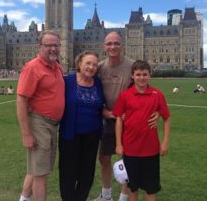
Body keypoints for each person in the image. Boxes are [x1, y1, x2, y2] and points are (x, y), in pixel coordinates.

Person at [95, 31, 159, 201]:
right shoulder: (100, 67)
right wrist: (105, 112)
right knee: (104, 158)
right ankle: (106, 195)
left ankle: (124, 197)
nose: (113, 47)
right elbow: (92, 91)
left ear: (122, 45)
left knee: (128, 159)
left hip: (129, 121)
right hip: (108, 119)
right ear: (104, 46)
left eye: (116, 43)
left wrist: (156, 112)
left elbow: (145, 88)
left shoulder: (131, 65)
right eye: (109, 43)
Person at [16, 30, 64, 201]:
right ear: (39, 47)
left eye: (56, 45)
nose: (53, 48)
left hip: (52, 125)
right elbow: (21, 100)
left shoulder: (56, 66)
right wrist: (26, 134)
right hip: (39, 123)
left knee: (38, 169)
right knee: (40, 174)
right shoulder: (32, 67)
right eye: (48, 45)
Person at [114, 60, 171, 201]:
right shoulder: (125, 96)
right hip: (130, 150)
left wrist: (164, 142)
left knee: (150, 189)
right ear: (132, 76)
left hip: (151, 150)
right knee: (133, 188)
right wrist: (119, 144)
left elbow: (167, 118)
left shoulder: (157, 95)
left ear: (149, 75)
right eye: (138, 74)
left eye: (145, 74)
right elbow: (119, 119)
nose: (141, 78)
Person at [59, 51, 104, 201]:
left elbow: (102, 105)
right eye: (88, 63)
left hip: (92, 135)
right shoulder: (67, 81)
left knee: (87, 174)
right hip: (70, 135)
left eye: (94, 65)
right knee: (68, 173)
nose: (91, 67)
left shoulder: (97, 82)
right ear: (79, 64)